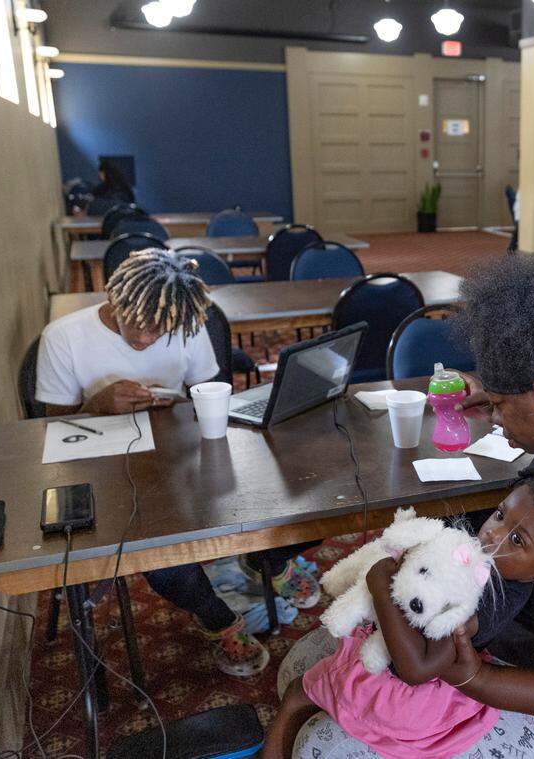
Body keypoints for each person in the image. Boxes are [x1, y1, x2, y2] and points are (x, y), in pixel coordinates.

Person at [274, 256, 534, 757]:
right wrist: (494, 394)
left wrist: (476, 679)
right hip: (501, 633)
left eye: (500, 405)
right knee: (302, 666)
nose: (494, 418)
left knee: (320, 745)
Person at [35, 249, 320, 677]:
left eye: (160, 329)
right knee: (164, 554)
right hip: (108, 474)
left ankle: (269, 560)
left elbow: (208, 390)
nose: (147, 338)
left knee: (297, 496)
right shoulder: (64, 337)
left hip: (178, 457)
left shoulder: (185, 323)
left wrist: (189, 403)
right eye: (137, 324)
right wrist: (95, 405)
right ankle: (216, 617)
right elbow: (48, 426)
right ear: (115, 297)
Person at [263, 470, 534, 759]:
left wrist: (381, 581)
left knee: (298, 694)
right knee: (300, 695)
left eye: (516, 539)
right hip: (389, 660)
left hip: (402, 695)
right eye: (500, 515)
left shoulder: (493, 595)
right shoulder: (474, 558)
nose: (493, 532)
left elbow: (417, 669)